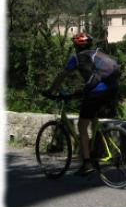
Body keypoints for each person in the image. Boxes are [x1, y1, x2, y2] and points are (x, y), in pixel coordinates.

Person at [47, 32, 120, 176]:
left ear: (75, 46)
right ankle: (93, 148)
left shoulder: (76, 58)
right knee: (91, 113)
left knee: (82, 125)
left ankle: (87, 163)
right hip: (112, 88)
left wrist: (51, 91)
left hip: (97, 91)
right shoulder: (96, 54)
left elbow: (62, 75)